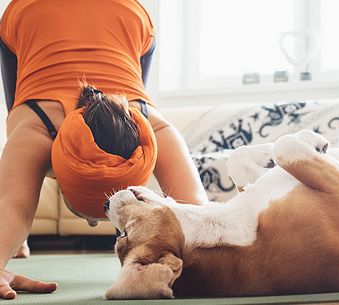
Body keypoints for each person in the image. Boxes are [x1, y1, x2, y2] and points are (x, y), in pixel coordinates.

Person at [0, 0, 207, 300]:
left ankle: (13, 242)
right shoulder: (36, 129)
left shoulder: (153, 127)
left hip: (127, 15)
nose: (93, 223)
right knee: (18, 118)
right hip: (46, 11)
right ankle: (12, 241)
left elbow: (14, 203)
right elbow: (11, 205)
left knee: (20, 126)